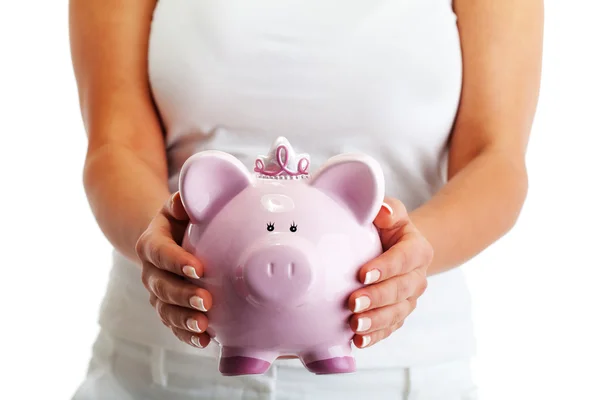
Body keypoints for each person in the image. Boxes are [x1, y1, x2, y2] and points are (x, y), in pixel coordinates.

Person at [68, 0, 543, 399]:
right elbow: (116, 143)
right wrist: (158, 244)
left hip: (403, 375)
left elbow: (495, 159)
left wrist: (411, 258)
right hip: (158, 372)